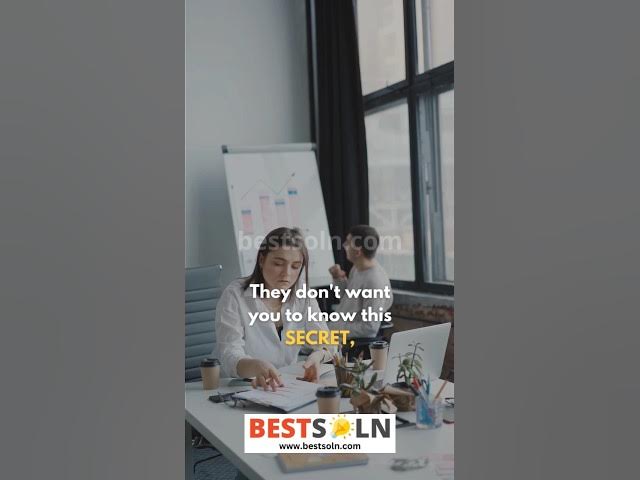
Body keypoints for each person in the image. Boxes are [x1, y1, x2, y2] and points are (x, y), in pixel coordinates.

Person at [215, 227, 335, 391]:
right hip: (238, 387)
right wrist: (255, 366)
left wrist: (317, 356)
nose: (286, 273)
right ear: (262, 260)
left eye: (295, 266)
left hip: (285, 387)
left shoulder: (303, 295)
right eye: (278, 264)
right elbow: (229, 353)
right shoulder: (235, 295)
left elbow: (328, 343)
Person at [328, 225, 393, 339]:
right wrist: (338, 279)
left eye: (348, 243)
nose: (344, 245)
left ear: (358, 252)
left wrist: (331, 328)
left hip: (348, 340)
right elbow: (348, 299)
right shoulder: (357, 268)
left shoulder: (374, 282)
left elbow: (369, 328)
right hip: (337, 329)